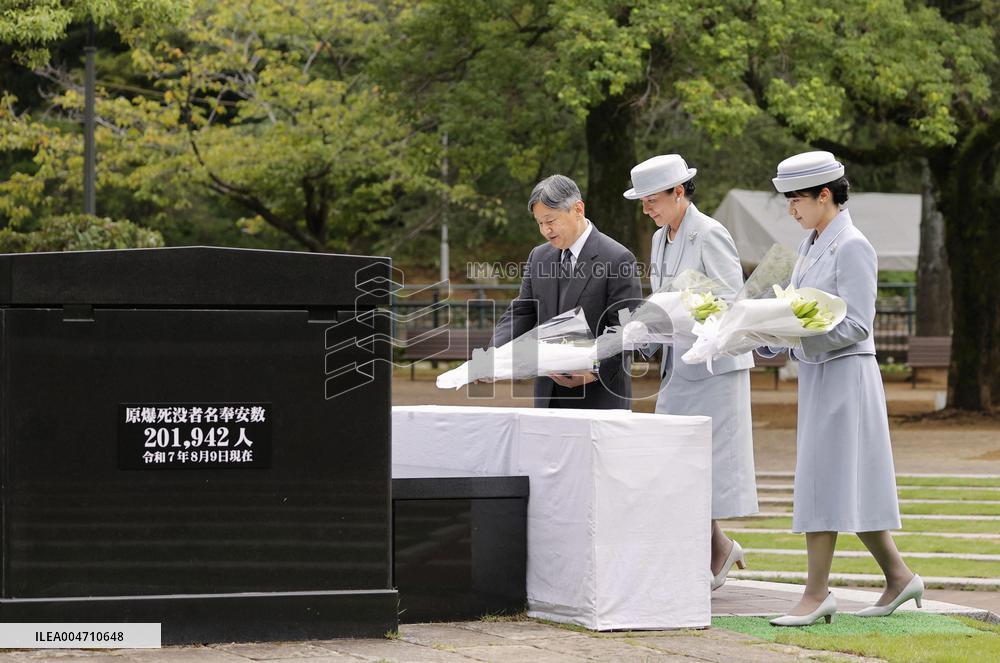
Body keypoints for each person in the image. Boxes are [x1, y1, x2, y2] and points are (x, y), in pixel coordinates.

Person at [764, 151, 922, 626]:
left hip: (847, 374)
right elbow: (797, 310)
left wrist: (795, 337)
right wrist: (767, 334)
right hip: (820, 374)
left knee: (824, 479)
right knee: (846, 480)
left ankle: (816, 595)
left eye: (796, 200)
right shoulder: (812, 244)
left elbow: (856, 323)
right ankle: (899, 577)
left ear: (824, 196)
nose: (791, 209)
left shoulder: (852, 245)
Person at [623, 154, 758, 590]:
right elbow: (665, 296)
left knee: (706, 470)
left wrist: (684, 315)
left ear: (679, 192)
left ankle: (708, 554)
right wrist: (647, 324)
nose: (646, 209)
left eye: (652, 200)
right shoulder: (661, 238)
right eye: (642, 202)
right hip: (678, 364)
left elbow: (732, 301)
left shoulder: (710, 233)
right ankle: (716, 549)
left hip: (715, 368)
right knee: (674, 466)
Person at [491, 174, 642, 409]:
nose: (545, 230)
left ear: (578, 209)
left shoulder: (618, 258)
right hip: (548, 395)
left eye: (550, 220)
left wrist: (593, 371)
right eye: (540, 223)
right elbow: (522, 311)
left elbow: (626, 330)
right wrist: (491, 355)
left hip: (598, 397)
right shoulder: (538, 256)